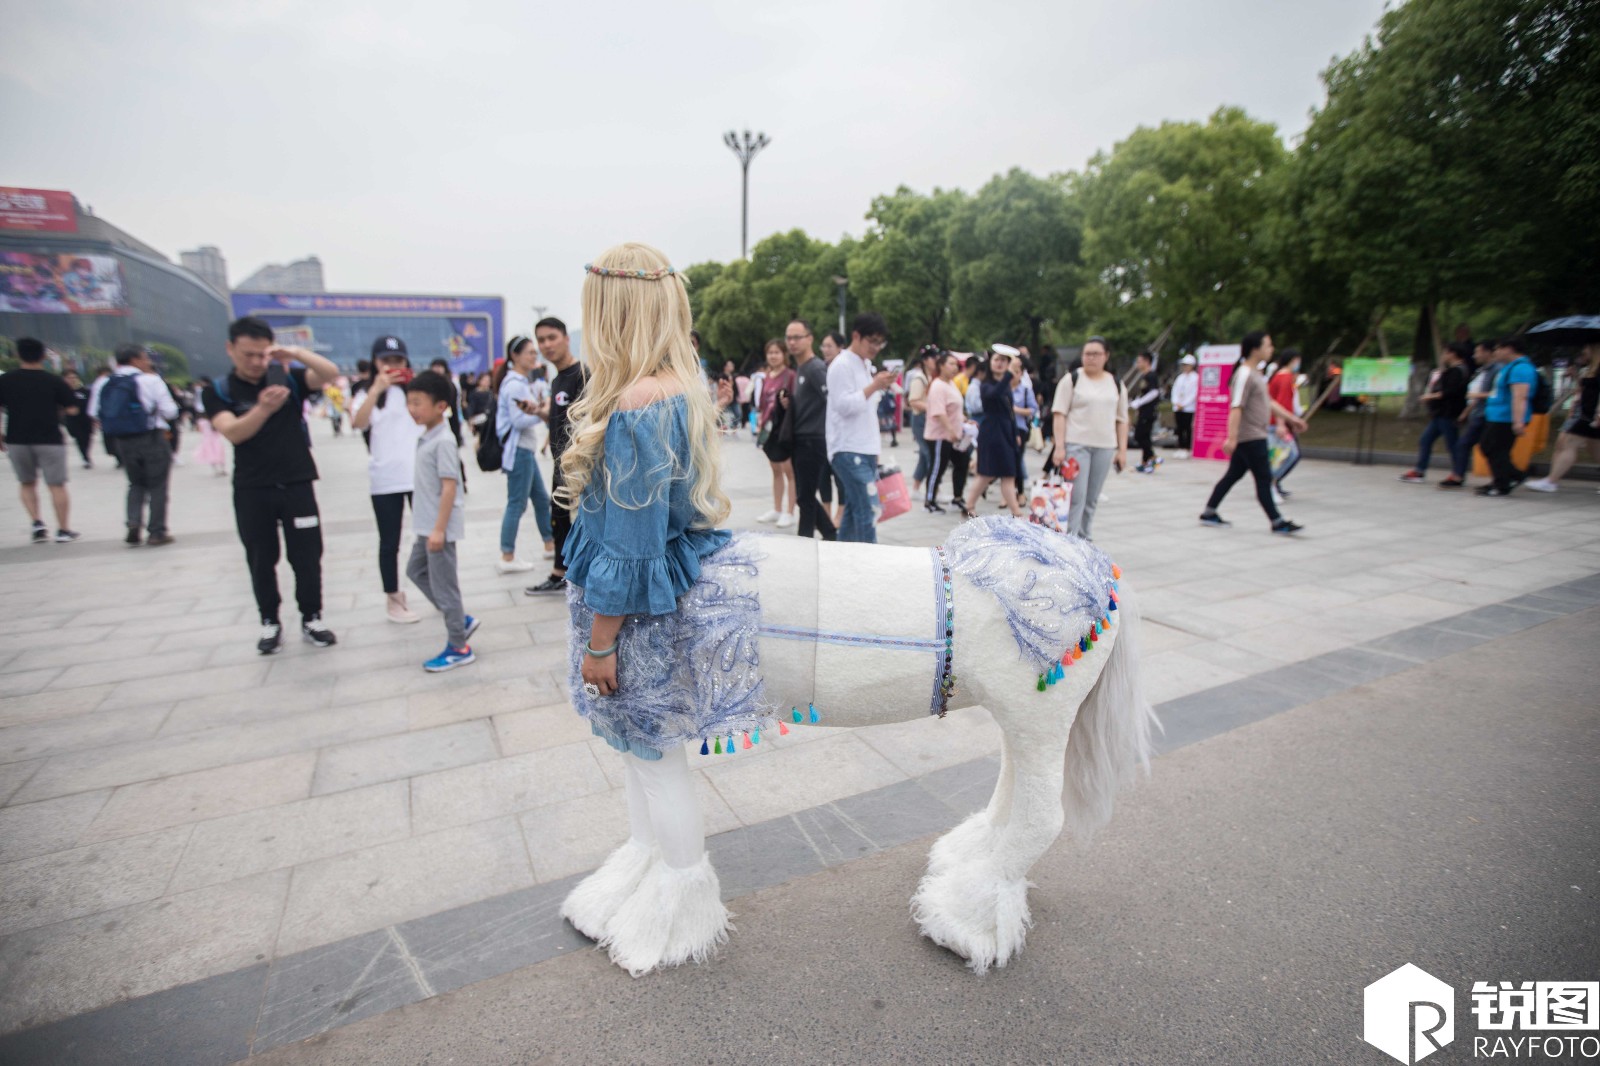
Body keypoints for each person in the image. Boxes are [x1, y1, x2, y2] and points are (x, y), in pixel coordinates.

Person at [557, 243, 736, 958]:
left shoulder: (635, 401)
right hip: (663, 597)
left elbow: (630, 543)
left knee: (655, 760)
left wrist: (601, 641)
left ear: (611, 313)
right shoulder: (679, 386)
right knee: (642, 754)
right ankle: (646, 873)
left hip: (635, 615)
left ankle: (684, 906)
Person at [203, 317, 340, 654]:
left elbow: (329, 374)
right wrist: (264, 409)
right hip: (252, 488)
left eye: (262, 355)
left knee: (307, 555)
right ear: (230, 349)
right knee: (261, 557)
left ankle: (312, 616)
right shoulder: (219, 391)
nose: (255, 362)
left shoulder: (289, 379)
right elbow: (233, 432)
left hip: (297, 483)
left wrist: (295, 353)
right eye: (248, 354)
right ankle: (270, 622)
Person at [404, 370, 480, 672]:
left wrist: (438, 529)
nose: (412, 409)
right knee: (415, 570)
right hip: (426, 526)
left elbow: (450, 486)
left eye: (417, 403)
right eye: (409, 402)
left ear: (440, 406)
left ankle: (459, 646)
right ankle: (460, 619)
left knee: (445, 587)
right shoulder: (426, 436)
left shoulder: (444, 441)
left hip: (439, 528)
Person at [1198, 331, 1307, 533]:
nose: (1271, 349)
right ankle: (1277, 521)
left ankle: (1209, 512)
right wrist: (1232, 438)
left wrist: (1293, 419)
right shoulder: (1244, 374)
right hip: (1251, 436)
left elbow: (1269, 402)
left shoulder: (1256, 374)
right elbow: (1236, 407)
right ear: (1255, 349)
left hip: (1253, 435)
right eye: (1268, 345)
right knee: (1264, 479)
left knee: (1233, 475)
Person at [350, 336, 425, 623]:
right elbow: (358, 422)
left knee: (429, 536)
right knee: (389, 541)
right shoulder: (366, 392)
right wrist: (376, 389)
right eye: (386, 361)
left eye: (398, 360)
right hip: (385, 479)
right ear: (375, 362)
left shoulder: (415, 391)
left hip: (418, 476)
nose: (393, 366)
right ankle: (394, 599)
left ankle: (435, 590)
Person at [526, 317, 587, 595]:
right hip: (559, 460)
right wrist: (539, 412)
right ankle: (562, 571)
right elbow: (560, 419)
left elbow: (588, 421)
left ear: (565, 338)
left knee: (565, 516)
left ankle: (562, 572)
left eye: (552, 337)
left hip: (577, 463)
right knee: (559, 516)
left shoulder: (582, 375)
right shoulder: (557, 380)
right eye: (541, 340)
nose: (546, 345)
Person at [96, 344, 180, 546]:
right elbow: (170, 411)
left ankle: (133, 523)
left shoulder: (104, 383)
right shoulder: (150, 380)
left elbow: (95, 412)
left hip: (123, 441)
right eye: (144, 358)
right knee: (158, 485)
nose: (147, 362)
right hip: (152, 438)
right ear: (134, 360)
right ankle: (157, 532)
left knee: (135, 483)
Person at [0, 337, 81, 543]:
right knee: (57, 485)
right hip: (50, 439)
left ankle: (37, 523)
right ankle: (63, 530)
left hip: (17, 439)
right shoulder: (54, 381)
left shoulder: (5, 380)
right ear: (43, 356)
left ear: (17, 355)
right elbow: (72, 409)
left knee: (27, 483)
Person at [826, 312, 895, 543]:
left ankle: (840, 558)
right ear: (857, 336)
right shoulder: (841, 365)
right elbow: (843, 405)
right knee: (869, 509)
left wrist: (877, 386)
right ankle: (870, 563)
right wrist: (874, 386)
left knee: (856, 510)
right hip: (847, 449)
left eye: (880, 342)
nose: (876, 347)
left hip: (865, 449)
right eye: (872, 341)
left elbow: (867, 409)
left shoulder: (864, 364)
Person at [1050, 337, 1128, 538]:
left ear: (1106, 356)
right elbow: (1059, 413)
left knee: (1092, 497)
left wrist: (1122, 450)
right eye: (1087, 354)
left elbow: (1122, 419)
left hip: (1105, 446)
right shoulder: (1072, 379)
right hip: (1077, 445)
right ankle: (1070, 538)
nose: (1091, 358)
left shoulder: (1116, 383)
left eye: (1096, 354)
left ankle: (1085, 537)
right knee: (1076, 496)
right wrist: (1060, 447)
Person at [494, 335, 556, 573]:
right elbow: (518, 420)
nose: (534, 356)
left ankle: (550, 544)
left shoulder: (520, 382)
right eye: (530, 352)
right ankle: (507, 555)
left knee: (541, 499)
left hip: (525, 450)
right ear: (515, 356)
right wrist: (542, 412)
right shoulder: (515, 385)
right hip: (518, 451)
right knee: (516, 503)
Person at [784, 318, 836, 541]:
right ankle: (830, 534)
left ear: (809, 339)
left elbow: (832, 400)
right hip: (801, 437)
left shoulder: (815, 368)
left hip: (812, 439)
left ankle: (806, 539)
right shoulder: (802, 368)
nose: (792, 342)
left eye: (797, 337)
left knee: (804, 497)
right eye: (789, 338)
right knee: (804, 496)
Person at [1527, 343, 1600, 492]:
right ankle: (1551, 480)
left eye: (1586, 348)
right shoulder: (1592, 368)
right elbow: (1585, 389)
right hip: (1586, 412)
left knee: (1569, 444)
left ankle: (1551, 481)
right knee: (1594, 449)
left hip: (1591, 415)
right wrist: (1576, 376)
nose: (1583, 351)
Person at [963, 348, 1026, 519]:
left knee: (1008, 473)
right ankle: (969, 506)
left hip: (1006, 432)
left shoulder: (1005, 385)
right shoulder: (986, 384)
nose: (999, 363)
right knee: (985, 473)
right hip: (991, 433)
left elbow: (1010, 413)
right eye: (996, 360)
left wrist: (1015, 434)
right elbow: (993, 394)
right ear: (990, 363)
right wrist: (1009, 375)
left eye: (1003, 361)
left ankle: (1016, 512)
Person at [1476, 336, 1540, 497]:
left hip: (1507, 418)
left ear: (1509, 349)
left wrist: (1518, 421)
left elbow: (1520, 396)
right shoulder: (1509, 367)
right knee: (1489, 447)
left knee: (1496, 449)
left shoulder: (1521, 369)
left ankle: (1503, 483)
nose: (1495, 352)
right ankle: (1511, 477)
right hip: (1497, 416)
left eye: (1498, 348)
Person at [1399, 343, 1469, 484]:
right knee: (1425, 440)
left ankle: (1458, 474)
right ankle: (1419, 470)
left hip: (1449, 413)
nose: (1443, 356)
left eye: (1445, 353)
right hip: (1440, 414)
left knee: (1452, 444)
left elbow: (1451, 392)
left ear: (1452, 354)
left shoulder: (1458, 371)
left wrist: (1431, 396)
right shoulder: (1453, 370)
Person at [753, 338, 797, 527]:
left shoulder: (791, 376)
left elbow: (796, 402)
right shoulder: (766, 377)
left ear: (784, 355)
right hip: (769, 429)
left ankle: (790, 511)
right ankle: (777, 508)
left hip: (785, 430)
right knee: (775, 470)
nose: (773, 356)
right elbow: (763, 405)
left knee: (790, 471)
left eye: (777, 352)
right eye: (770, 352)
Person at [1443, 342, 1497, 488]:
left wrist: (1475, 395)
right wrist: (1466, 412)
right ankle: (1458, 476)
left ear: (1488, 352)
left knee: (1488, 447)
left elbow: (1496, 393)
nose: (1475, 355)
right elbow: (1476, 398)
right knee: (1466, 444)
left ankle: (1508, 476)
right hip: (1479, 414)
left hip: (1490, 414)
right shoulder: (1483, 370)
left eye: (1478, 352)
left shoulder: (1497, 370)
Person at [923, 351, 966, 514]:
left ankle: (957, 497)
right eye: (951, 364)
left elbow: (955, 408)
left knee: (961, 464)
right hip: (940, 436)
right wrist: (950, 430)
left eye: (956, 364)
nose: (955, 367)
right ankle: (929, 501)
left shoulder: (951, 384)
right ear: (941, 366)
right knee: (937, 468)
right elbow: (939, 412)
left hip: (954, 435)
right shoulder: (938, 386)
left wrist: (964, 421)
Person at [1267, 348, 1305, 498]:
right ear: (1294, 360)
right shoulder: (1284, 377)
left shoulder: (1282, 376)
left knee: (1284, 455)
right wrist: (1281, 424)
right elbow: (1280, 403)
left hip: (1280, 424)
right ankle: (1269, 483)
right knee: (1289, 455)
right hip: (1277, 425)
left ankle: (1272, 483)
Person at [905, 345, 937, 495]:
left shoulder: (930, 377)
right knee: (930, 455)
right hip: (920, 419)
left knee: (925, 456)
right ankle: (933, 490)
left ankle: (916, 488)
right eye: (933, 358)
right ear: (925, 360)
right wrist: (933, 407)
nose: (936, 360)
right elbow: (913, 401)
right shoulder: (919, 378)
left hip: (926, 419)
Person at [1009, 351, 1039, 494]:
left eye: (1016, 371)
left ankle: (1019, 492)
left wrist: (1017, 410)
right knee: (1007, 461)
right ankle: (1007, 493)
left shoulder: (1026, 390)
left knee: (1017, 460)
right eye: (1011, 370)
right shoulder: (1002, 389)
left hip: (1020, 428)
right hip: (1004, 429)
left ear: (1021, 373)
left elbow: (1033, 409)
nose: (1013, 374)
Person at [1128, 350, 1160, 473]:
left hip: (1149, 412)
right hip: (1143, 411)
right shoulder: (1145, 376)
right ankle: (1145, 461)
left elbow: (1154, 392)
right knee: (1144, 436)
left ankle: (1151, 457)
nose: (1137, 363)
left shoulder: (1151, 375)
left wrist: (1139, 403)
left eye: (1139, 361)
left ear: (1147, 362)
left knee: (1141, 435)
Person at [193, 378, 227, 476]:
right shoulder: (213, 420)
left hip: (208, 437)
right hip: (214, 436)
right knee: (218, 451)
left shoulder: (202, 420)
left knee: (213, 453)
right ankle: (221, 468)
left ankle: (217, 469)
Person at [61, 368, 94, 469]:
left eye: (74, 377)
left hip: (86, 418)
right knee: (79, 437)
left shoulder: (84, 391)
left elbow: (91, 403)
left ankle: (86, 454)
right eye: (69, 378)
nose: (72, 379)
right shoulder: (62, 391)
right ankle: (85, 457)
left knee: (87, 438)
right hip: (72, 419)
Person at [1171, 354, 1198, 456]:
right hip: (1178, 407)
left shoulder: (1195, 378)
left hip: (1188, 408)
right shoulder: (1180, 377)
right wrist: (1176, 402)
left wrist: (1184, 404)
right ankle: (1180, 447)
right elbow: (1174, 391)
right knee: (1179, 427)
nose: (1185, 367)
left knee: (1187, 428)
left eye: (1187, 365)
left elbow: (1194, 394)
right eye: (1184, 365)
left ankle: (1187, 448)